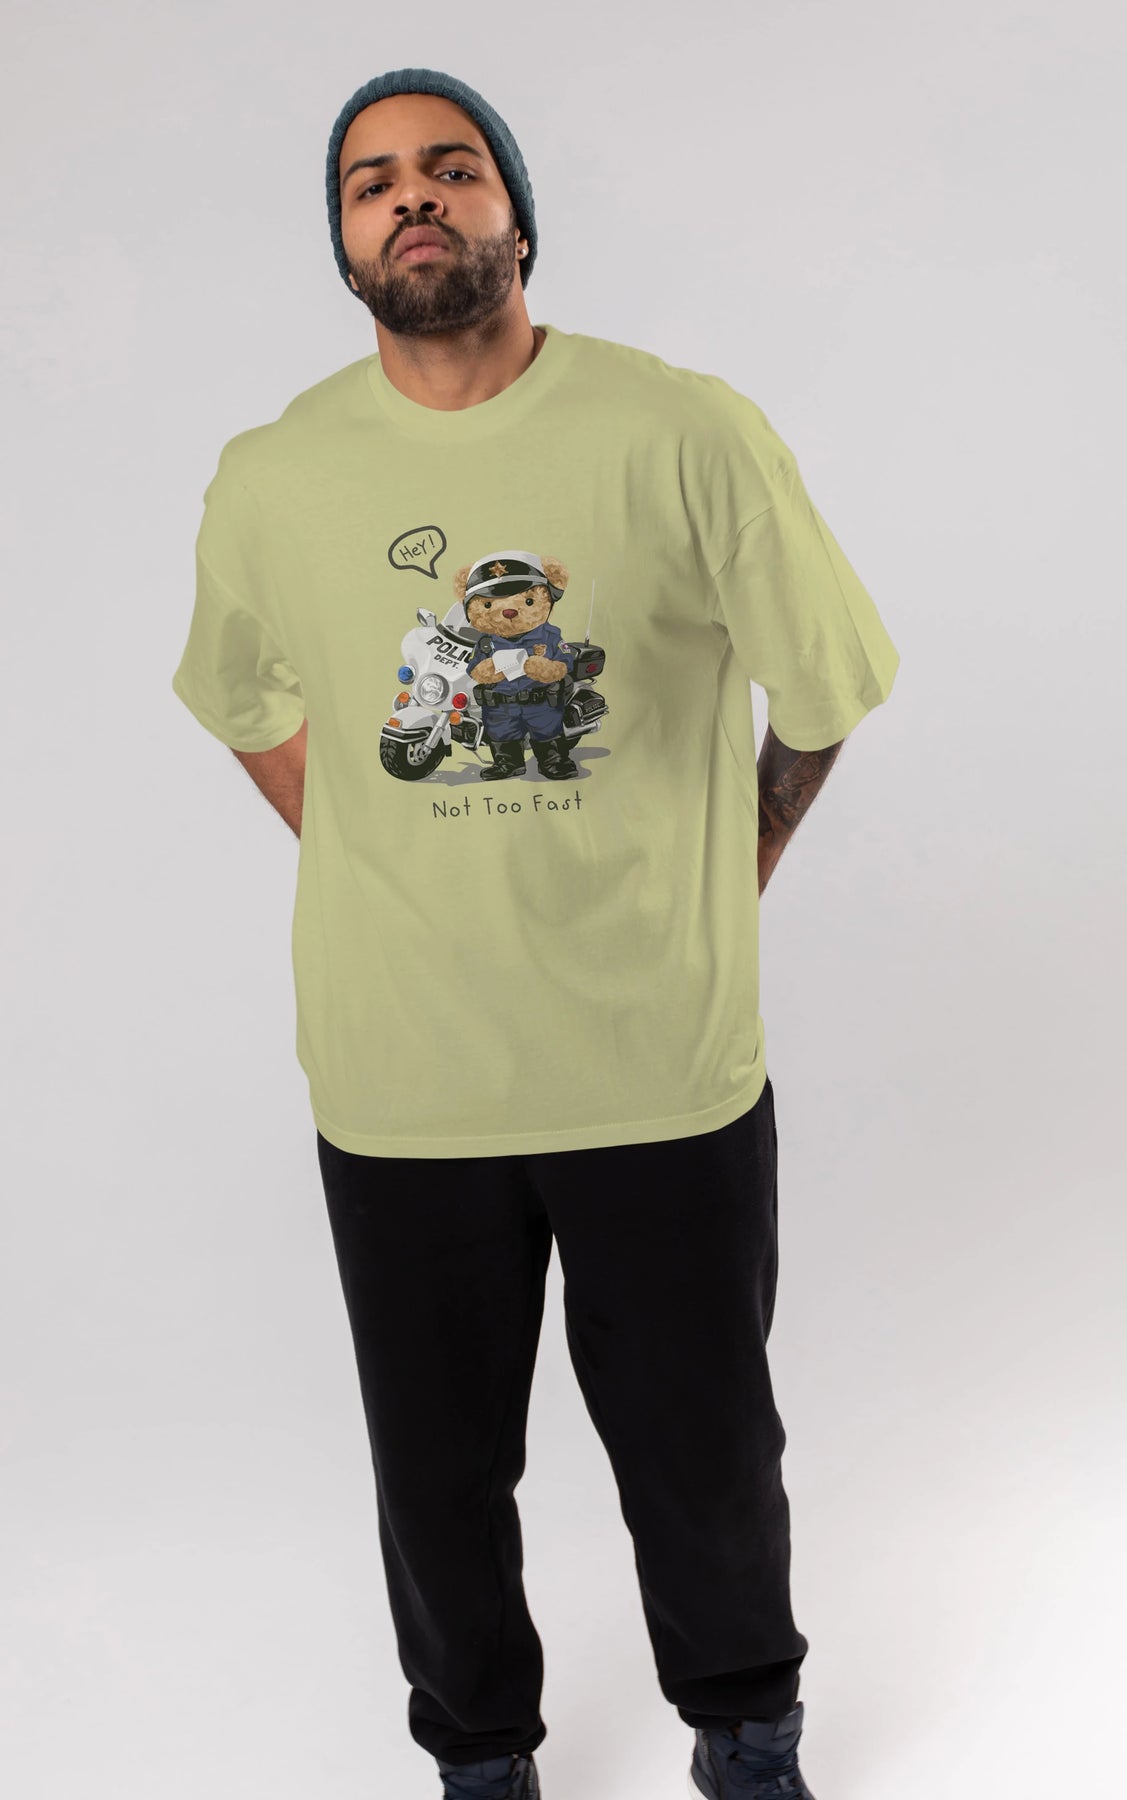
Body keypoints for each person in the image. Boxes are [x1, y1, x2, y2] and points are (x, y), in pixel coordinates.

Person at [170, 66, 900, 1800]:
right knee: (435, 1473)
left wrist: (743, 856)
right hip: (403, 1080)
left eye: (452, 167)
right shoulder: (274, 474)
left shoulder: (684, 432)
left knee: (705, 1447)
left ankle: (747, 1731)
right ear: (344, 242)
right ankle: (481, 1758)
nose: (413, 197)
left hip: (659, 1061)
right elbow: (243, 697)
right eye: (372, 182)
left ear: (516, 213)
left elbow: (824, 685)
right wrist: (369, 847)